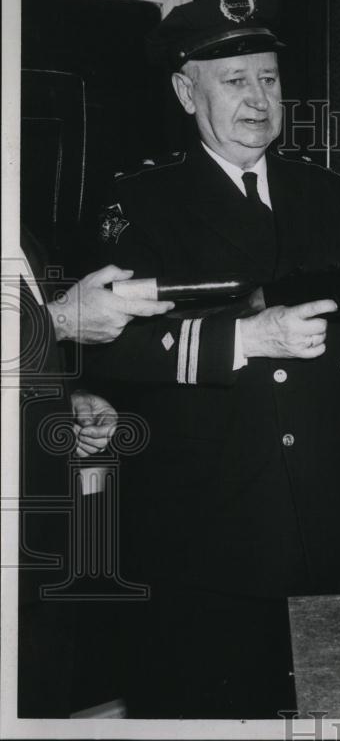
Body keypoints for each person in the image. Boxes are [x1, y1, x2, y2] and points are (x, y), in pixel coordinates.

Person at [82, 0, 340, 719]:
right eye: (235, 81)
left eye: (269, 78)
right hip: (208, 530)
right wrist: (245, 337)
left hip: (325, 517)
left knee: (329, 711)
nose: (259, 99)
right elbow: (111, 347)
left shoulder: (325, 192)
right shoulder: (142, 200)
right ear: (184, 91)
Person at [17, 228, 172, 716]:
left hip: (40, 545)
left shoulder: (24, 236)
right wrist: (60, 320)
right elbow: (45, 325)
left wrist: (66, 399)